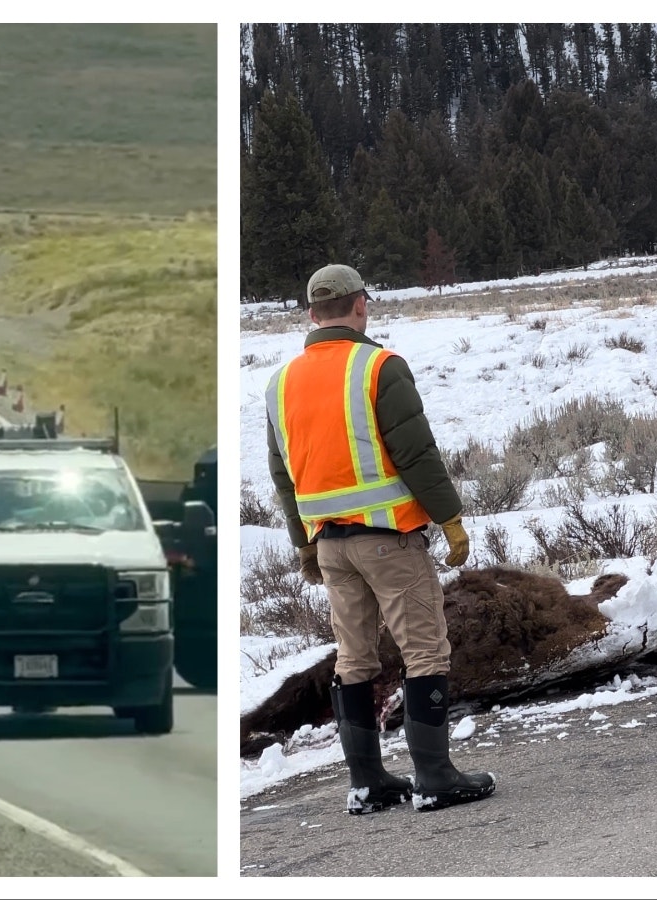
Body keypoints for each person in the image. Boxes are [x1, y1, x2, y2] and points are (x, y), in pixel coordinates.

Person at [266, 263, 492, 814]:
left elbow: (281, 473)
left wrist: (303, 544)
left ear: (313, 313)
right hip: (388, 539)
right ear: (360, 304)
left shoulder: (280, 383)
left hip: (330, 546)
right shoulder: (379, 366)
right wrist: (450, 517)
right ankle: (434, 776)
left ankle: (366, 784)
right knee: (424, 651)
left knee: (355, 658)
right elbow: (415, 453)